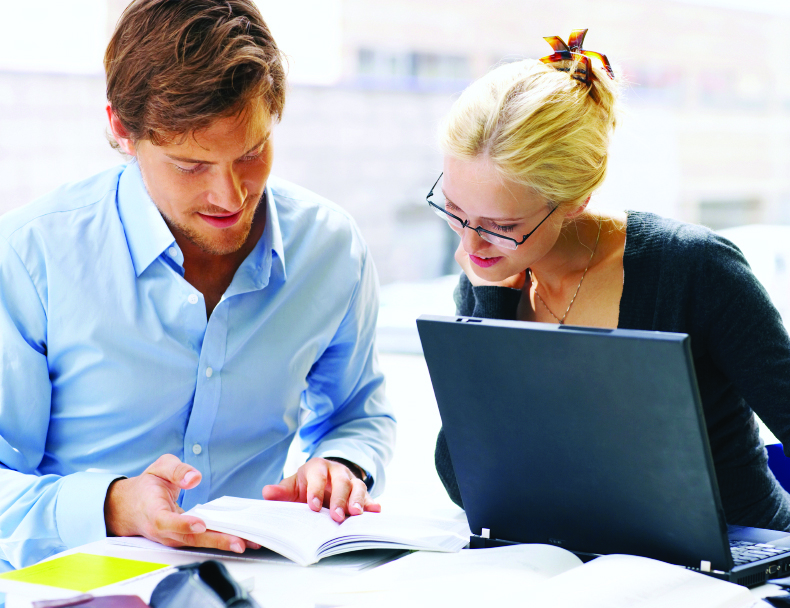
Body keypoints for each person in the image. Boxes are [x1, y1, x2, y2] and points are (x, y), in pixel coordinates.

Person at [0, 0, 395, 570]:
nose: (231, 197)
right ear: (121, 129)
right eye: (190, 166)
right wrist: (111, 505)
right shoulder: (29, 257)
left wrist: (342, 464)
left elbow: (358, 412)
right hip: (83, 590)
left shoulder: (331, 249)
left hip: (261, 587)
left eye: (252, 153)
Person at [431, 30, 790, 531]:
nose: (470, 247)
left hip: (739, 557)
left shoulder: (694, 269)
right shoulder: (492, 274)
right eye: (453, 210)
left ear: (576, 199)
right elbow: (465, 482)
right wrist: (491, 311)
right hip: (590, 561)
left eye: (502, 226)